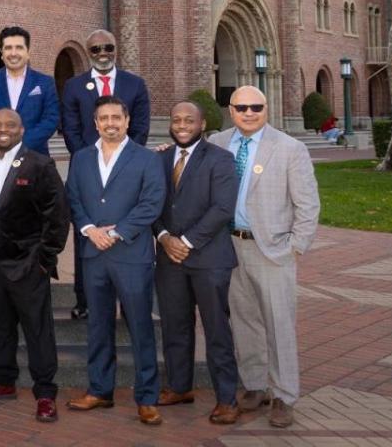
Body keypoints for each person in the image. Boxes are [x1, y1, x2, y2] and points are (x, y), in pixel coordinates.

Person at [209, 86, 320, 429]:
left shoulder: (290, 148)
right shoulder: (217, 143)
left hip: (270, 250)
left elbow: (308, 204)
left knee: (278, 324)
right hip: (229, 246)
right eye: (241, 107)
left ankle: (284, 395)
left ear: (266, 108)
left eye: (256, 106)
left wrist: (295, 246)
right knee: (244, 320)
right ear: (231, 110)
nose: (249, 112)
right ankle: (255, 385)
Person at [64, 95, 165, 426]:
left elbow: (151, 204)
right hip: (93, 254)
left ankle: (147, 397)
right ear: (95, 123)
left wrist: (119, 231)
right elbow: (73, 198)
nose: (110, 123)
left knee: (140, 326)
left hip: (131, 255)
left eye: (116, 118)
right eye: (103, 118)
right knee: (98, 325)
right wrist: (90, 229)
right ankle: (99, 390)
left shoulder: (146, 159)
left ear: (126, 121)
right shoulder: (80, 158)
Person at [0, 109, 68, 423]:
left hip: (28, 263)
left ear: (21, 129)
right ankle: (3, 380)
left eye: (10, 125)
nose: (2, 130)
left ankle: (46, 393)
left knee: (37, 330)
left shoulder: (40, 165)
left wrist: (43, 260)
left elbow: (57, 216)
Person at [152, 101, 240, 425]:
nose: (182, 124)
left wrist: (185, 242)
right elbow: (151, 205)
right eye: (176, 119)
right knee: (175, 326)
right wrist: (163, 237)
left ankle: (227, 398)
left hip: (208, 258)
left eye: (189, 120)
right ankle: (179, 386)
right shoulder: (159, 159)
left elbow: (222, 208)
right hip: (168, 258)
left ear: (202, 125)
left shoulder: (221, 159)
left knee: (216, 330)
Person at [60, 29, 151, 320]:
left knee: (125, 227)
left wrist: (123, 158)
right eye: (96, 48)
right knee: (85, 230)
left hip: (127, 170)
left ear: (116, 49)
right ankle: (84, 301)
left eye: (108, 48)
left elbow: (141, 127)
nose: (102, 53)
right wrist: (90, 159)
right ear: (89, 52)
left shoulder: (134, 84)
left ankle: (128, 301)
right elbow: (71, 129)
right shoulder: (74, 86)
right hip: (87, 170)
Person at [0, 26, 61, 156]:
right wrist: (3, 142)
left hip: (34, 157)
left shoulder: (45, 82)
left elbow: (51, 118)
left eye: (19, 47)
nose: (13, 53)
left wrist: (20, 144)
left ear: (28, 52)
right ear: (2, 52)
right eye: (8, 48)